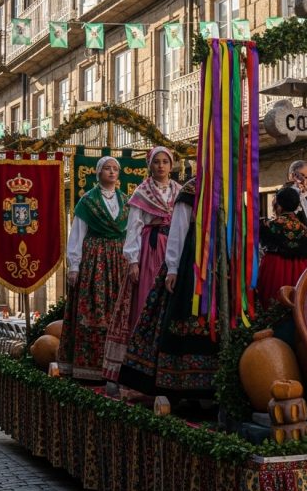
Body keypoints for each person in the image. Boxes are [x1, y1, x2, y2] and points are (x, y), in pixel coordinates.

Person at [119, 178, 220, 398]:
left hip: (220, 258)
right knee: (183, 313)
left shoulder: (229, 187)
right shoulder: (190, 190)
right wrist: (173, 267)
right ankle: (178, 382)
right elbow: (179, 228)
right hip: (192, 259)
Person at [102, 146, 181, 382]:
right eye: (156, 162)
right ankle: (139, 365)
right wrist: (133, 260)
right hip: (151, 250)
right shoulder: (142, 192)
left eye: (165, 162)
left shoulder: (179, 190)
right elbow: (134, 227)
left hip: (174, 248)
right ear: (150, 166)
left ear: (171, 165)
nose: (161, 166)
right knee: (147, 300)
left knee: (172, 304)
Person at [58, 156, 129, 380]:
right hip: (95, 259)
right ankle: (89, 367)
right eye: (106, 168)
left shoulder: (126, 200)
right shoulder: (87, 202)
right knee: (94, 308)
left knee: (119, 308)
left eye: (114, 169)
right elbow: (77, 234)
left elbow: (130, 233)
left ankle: (117, 365)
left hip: (119, 259)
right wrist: (74, 265)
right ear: (98, 173)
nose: (111, 172)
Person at [256, 188, 307, 306]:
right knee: (296, 302)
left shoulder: (269, 225)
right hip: (300, 268)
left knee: (273, 304)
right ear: (297, 205)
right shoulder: (305, 229)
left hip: (274, 267)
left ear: (278, 204)